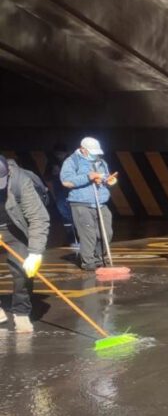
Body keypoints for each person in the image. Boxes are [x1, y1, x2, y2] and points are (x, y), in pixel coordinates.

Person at [0, 156, 50, 333]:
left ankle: (21, 312)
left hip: (14, 227)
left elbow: (38, 217)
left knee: (22, 270)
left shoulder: (20, 180)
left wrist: (35, 253)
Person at [60, 137, 117, 271]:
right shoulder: (71, 161)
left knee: (106, 232)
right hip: (81, 203)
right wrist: (88, 177)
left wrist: (107, 180)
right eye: (92, 152)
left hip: (101, 202)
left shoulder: (101, 162)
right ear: (83, 150)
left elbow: (104, 177)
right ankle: (89, 262)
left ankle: (100, 258)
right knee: (88, 234)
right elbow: (66, 181)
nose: (95, 154)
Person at [45, 143, 77, 250]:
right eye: (57, 154)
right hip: (59, 192)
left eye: (61, 153)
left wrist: (61, 173)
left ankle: (76, 237)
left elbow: (76, 177)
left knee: (74, 214)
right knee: (64, 214)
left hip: (72, 192)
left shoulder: (73, 161)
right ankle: (71, 237)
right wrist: (53, 173)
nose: (59, 156)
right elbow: (47, 176)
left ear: (66, 153)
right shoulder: (52, 162)